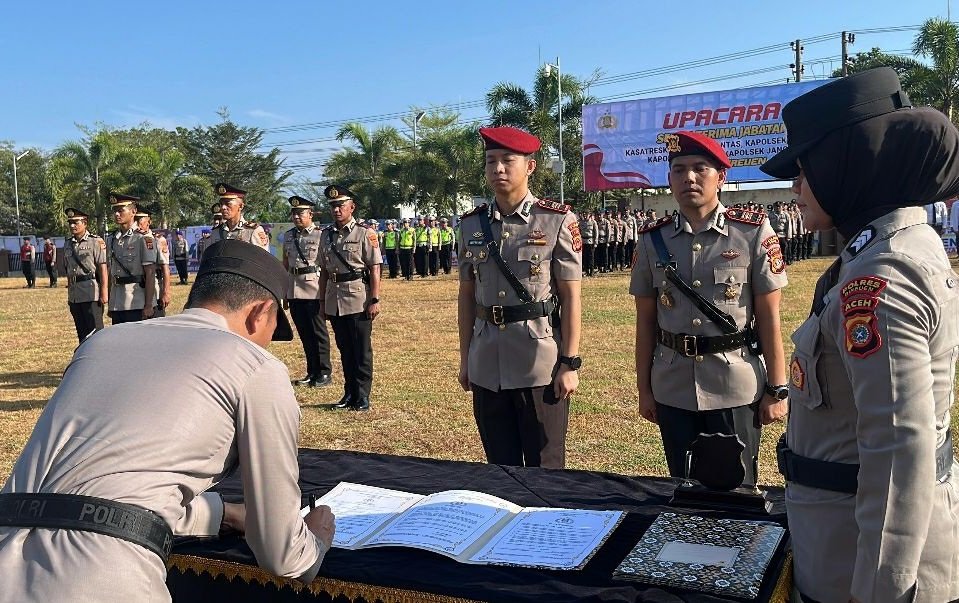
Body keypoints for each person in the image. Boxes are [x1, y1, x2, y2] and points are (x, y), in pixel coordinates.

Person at [0, 240, 334, 603]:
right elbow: (283, 556)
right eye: (272, 329)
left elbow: (103, 490)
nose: (267, 342)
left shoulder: (100, 342)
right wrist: (315, 539)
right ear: (260, 313)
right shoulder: (256, 367)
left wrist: (224, 514)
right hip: (99, 578)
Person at [760, 67, 959, 603]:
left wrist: (879, 591)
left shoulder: (883, 277)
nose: (796, 187)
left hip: (861, 565)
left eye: (804, 170)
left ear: (845, 164)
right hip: (839, 536)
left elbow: (899, 458)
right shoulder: (884, 250)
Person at [630, 130, 789, 488]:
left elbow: (769, 319)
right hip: (672, 385)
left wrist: (777, 389)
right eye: (678, 169)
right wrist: (644, 389)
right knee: (684, 489)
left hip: (735, 384)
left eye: (700, 168)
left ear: (721, 177)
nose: (688, 177)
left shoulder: (751, 233)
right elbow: (645, 324)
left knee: (737, 488)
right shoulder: (652, 240)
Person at [457, 126, 582, 469]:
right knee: (500, 467)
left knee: (546, 466)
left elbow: (571, 298)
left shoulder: (556, 220)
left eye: (507, 161)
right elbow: (467, 296)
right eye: (490, 161)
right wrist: (466, 357)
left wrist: (569, 363)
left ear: (530, 166)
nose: (497, 168)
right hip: (486, 361)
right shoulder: (471, 225)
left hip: (538, 362)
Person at [318, 185, 382, 411]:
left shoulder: (365, 233)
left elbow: (374, 268)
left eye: (340, 206)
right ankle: (349, 392)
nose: (336, 210)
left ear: (351, 207)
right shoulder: (326, 235)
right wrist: (322, 301)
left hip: (358, 297)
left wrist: (374, 299)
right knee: (345, 349)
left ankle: (363, 395)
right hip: (335, 298)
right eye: (333, 206)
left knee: (361, 350)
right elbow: (324, 271)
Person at [282, 195, 332, 388]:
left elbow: (326, 265)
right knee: (304, 333)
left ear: (310, 214)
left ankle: (324, 372)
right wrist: (285, 291)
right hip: (294, 288)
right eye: (294, 213)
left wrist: (325, 293)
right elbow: (286, 264)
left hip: (313, 288)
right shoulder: (288, 236)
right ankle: (312, 371)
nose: (296, 217)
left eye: (300, 213)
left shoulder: (320, 235)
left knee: (318, 332)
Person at [106, 194, 156, 324]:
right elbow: (111, 273)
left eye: (121, 210)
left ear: (133, 212)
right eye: (114, 211)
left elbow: (150, 273)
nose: (116, 214)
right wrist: (111, 303)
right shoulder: (112, 239)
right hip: (118, 302)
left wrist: (149, 305)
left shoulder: (143, 238)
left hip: (136, 302)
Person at [63, 208, 108, 342]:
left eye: (76, 222)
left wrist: (104, 291)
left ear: (85, 223)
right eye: (70, 222)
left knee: (95, 332)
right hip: (75, 294)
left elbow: (102, 267)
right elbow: (69, 270)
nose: (72, 226)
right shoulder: (68, 243)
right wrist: (70, 294)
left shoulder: (95, 241)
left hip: (91, 292)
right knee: (81, 333)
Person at [208, 183, 269, 250]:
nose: (223, 207)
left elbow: (263, 258)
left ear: (240, 206)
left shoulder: (252, 231)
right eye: (221, 204)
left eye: (228, 203)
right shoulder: (216, 232)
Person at [135, 207, 171, 318]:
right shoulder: (135, 240)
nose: (137, 224)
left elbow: (165, 268)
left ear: (149, 222)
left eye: (140, 220)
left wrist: (166, 292)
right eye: (135, 220)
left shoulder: (158, 240)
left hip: (155, 288)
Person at [580, 211, 597, 277]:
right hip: (583, 241)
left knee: (591, 257)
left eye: (586, 214)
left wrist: (595, 242)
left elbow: (596, 233)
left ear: (589, 215)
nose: (585, 215)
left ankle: (591, 271)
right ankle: (586, 271)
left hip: (590, 241)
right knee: (585, 257)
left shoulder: (593, 222)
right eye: (584, 214)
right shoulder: (581, 222)